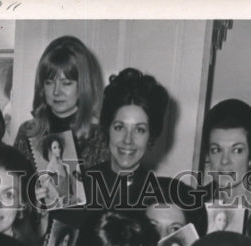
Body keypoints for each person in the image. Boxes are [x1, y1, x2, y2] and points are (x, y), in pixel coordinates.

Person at [81, 68, 191, 216]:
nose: (128, 140)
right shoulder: (80, 185)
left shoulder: (160, 196)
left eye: (139, 130)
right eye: (119, 127)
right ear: (107, 128)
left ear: (151, 135)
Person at [13, 35, 109, 169]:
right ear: (41, 86)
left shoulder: (100, 138)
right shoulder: (28, 133)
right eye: (49, 82)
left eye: (66, 83)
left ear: (83, 86)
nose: (57, 91)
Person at [192, 99, 251, 232]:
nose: (225, 161)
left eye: (236, 150)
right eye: (216, 149)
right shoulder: (192, 206)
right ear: (208, 155)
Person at [40, 133, 72, 207]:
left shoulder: (62, 164)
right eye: (55, 147)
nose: (58, 150)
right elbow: (53, 191)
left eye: (59, 147)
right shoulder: (50, 168)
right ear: (50, 150)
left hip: (70, 200)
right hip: (62, 204)